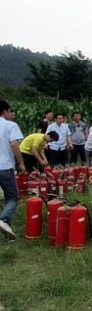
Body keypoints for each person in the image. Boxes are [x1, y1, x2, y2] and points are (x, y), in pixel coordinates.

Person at [0, 100, 26, 241]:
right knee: (12, 197)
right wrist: (21, 163)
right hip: (4, 167)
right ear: (5, 111)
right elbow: (14, 144)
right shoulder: (10, 125)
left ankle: (7, 232)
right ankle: (4, 220)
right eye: (10, 111)